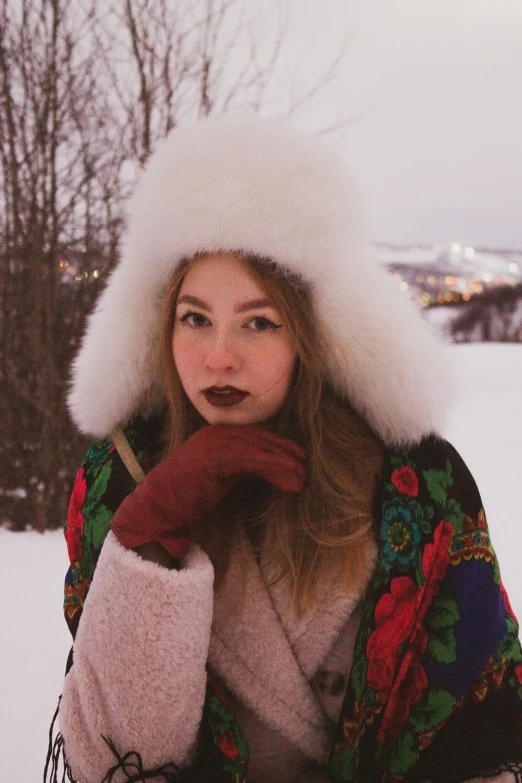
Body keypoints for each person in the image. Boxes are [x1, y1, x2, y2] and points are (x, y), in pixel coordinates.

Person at [47, 115, 522, 783]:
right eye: (195, 318)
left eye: (259, 321)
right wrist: (149, 540)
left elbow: (484, 727)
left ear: (312, 333)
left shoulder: (418, 486)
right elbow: (115, 763)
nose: (219, 357)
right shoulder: (119, 482)